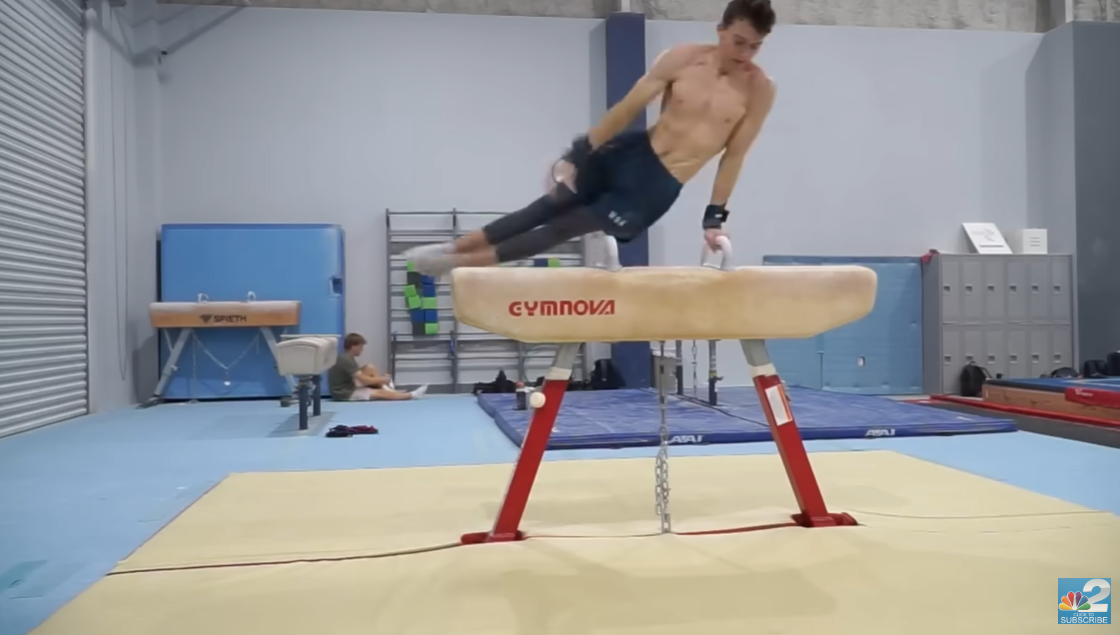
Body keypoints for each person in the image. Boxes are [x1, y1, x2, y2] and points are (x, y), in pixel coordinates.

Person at [404, 0, 777, 276]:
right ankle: (451, 248)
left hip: (656, 186)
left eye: (755, 46)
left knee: (563, 227)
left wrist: (713, 218)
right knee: (546, 206)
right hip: (632, 152)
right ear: (721, 29)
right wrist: (579, 153)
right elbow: (627, 108)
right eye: (739, 41)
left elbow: (734, 156)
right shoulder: (682, 58)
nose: (746, 54)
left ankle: (457, 265)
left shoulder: (759, 90)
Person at [328, 333, 428, 401]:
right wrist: (383, 379)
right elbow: (365, 381)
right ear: (353, 346)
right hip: (344, 394)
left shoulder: (346, 357)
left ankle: (388, 390)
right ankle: (411, 395)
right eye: (360, 347)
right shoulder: (346, 360)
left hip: (348, 386)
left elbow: (360, 377)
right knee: (379, 393)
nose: (362, 350)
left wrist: (381, 380)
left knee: (369, 367)